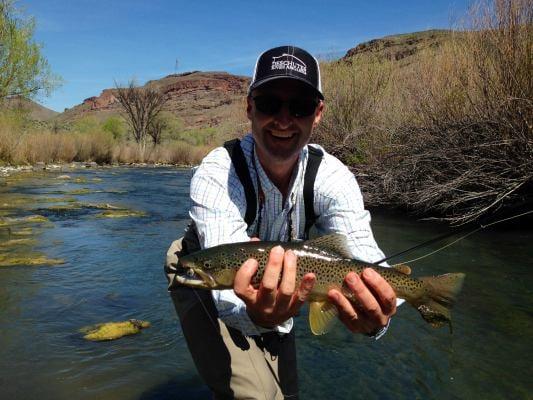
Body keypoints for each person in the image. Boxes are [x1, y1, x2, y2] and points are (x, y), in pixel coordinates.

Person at [166, 45, 398, 400]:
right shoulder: (217, 172)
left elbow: (364, 253)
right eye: (270, 103)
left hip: (290, 284)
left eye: (300, 107)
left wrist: (378, 314)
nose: (284, 120)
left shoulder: (333, 178)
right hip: (203, 276)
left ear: (317, 113)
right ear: (249, 108)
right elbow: (229, 294)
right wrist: (260, 317)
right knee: (258, 396)